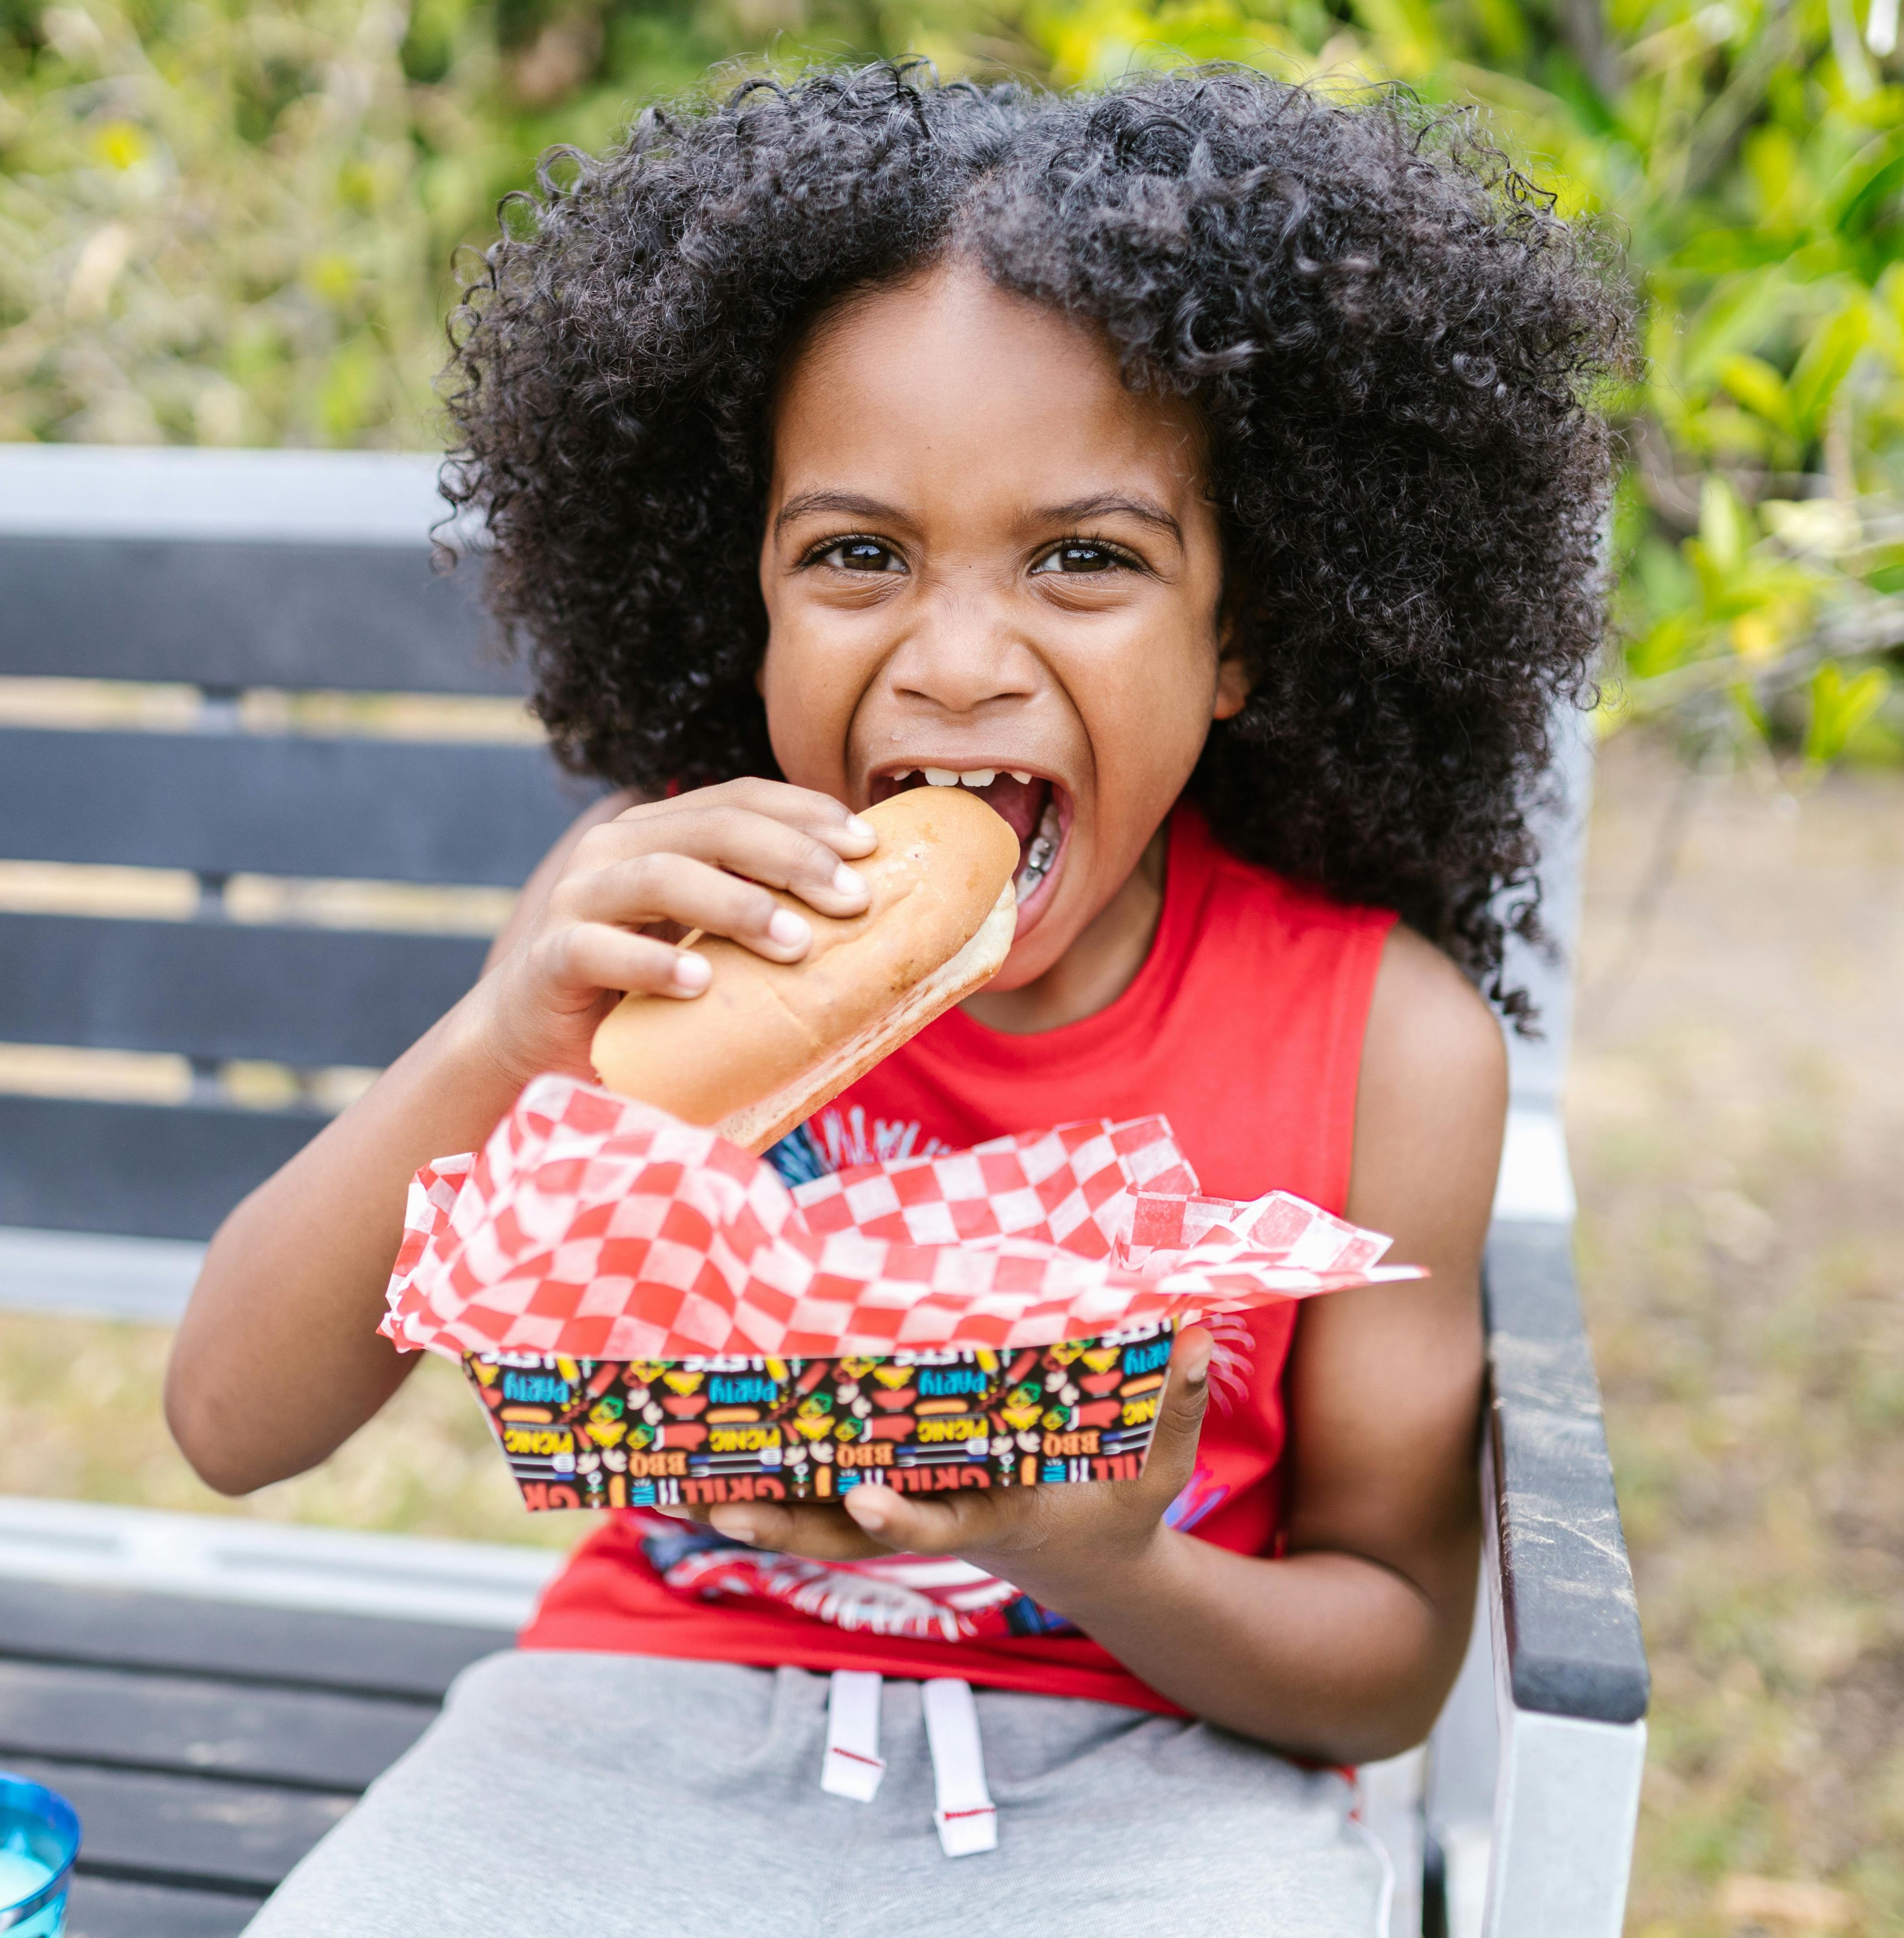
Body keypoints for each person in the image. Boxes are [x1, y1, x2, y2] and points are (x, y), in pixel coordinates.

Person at [166, 63, 1628, 1936]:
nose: (953, 662)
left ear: (1242, 636)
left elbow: (1382, 1662)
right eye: (856, 554)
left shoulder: (1385, 1048)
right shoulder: (646, 932)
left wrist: (1098, 1556)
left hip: (1151, 1771)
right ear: (747, 597)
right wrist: (500, 1037)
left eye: (1084, 559)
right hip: (634, 1714)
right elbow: (231, 1423)